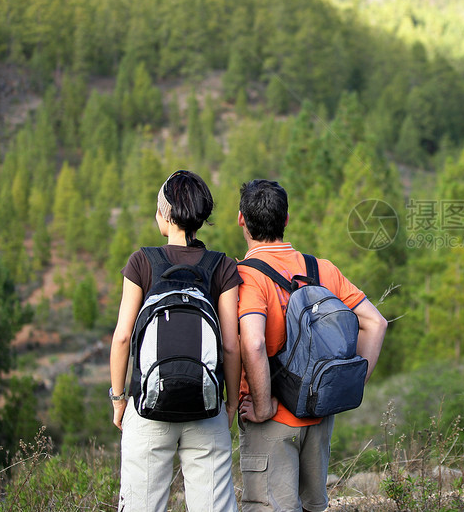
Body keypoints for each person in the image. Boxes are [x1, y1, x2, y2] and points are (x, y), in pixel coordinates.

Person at [236, 179, 388, 512]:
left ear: (241, 220)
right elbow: (377, 323)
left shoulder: (245, 277)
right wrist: (344, 386)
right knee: (314, 506)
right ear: (286, 219)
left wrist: (262, 406)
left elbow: (254, 341)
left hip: (272, 420)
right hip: (319, 413)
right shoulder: (321, 269)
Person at [109, 170, 242, 512]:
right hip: (206, 404)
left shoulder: (142, 262)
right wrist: (228, 406)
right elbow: (230, 345)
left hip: (148, 404)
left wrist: (119, 398)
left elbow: (123, 336)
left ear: (166, 214)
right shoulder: (222, 266)